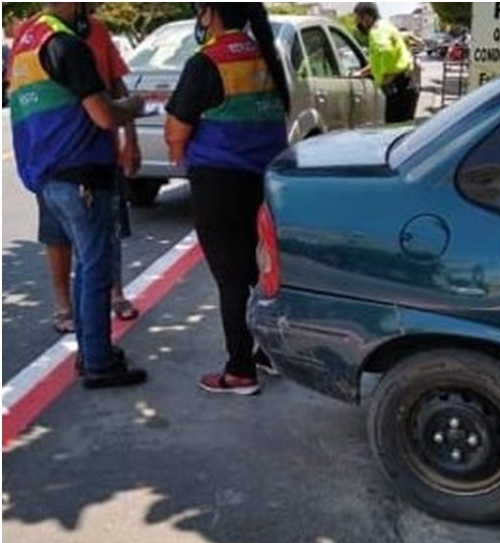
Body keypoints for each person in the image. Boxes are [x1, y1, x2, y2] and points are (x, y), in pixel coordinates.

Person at [8, 2, 147, 388]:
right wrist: (132, 108)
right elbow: (104, 114)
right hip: (81, 175)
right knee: (96, 267)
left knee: (88, 265)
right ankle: (99, 362)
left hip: (48, 175)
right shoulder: (67, 45)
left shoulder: (27, 44)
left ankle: (92, 351)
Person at [164, 3, 289, 396]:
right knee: (264, 272)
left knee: (231, 279)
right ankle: (272, 352)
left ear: (210, 13)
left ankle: (240, 370)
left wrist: (177, 151)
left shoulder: (206, 61)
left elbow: (175, 130)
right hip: (265, 182)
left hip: (219, 184)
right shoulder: (267, 55)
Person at [352, 2, 418, 123]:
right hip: (406, 86)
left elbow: (386, 51)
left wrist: (387, 77)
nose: (358, 24)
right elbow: (381, 59)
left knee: (394, 131)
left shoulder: (376, 32)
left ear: (367, 17)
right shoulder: (386, 26)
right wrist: (362, 72)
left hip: (398, 89)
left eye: (358, 19)